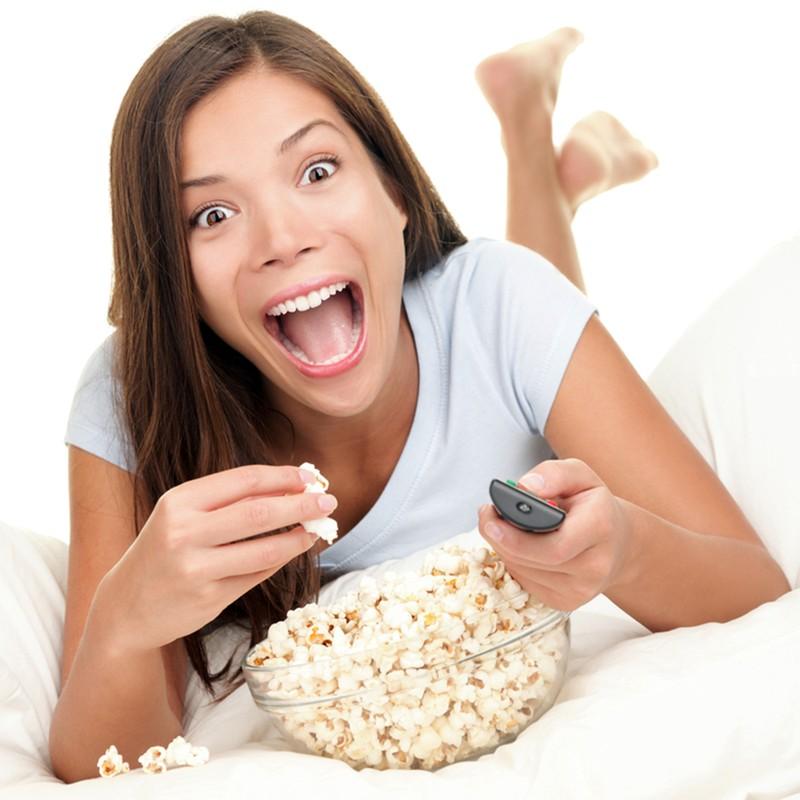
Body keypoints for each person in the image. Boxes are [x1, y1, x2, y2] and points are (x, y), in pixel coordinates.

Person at [49, 14, 788, 783]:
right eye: (212, 215)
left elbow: (758, 590)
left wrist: (624, 550)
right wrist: (124, 621)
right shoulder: (132, 396)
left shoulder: (499, 303)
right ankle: (542, 152)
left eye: (317, 171)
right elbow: (93, 767)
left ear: (395, 190)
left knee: (525, 288)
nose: (283, 238)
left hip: (501, 305)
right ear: (172, 276)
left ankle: (527, 130)